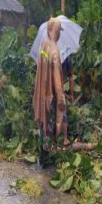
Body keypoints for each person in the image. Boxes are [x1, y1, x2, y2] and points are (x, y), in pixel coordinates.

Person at [33, 17, 70, 167]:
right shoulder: (54, 50)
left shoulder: (44, 45)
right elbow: (56, 79)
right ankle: (45, 159)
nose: (60, 33)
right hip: (51, 95)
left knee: (44, 123)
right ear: (55, 30)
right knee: (51, 123)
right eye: (59, 30)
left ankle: (42, 155)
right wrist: (61, 98)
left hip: (42, 92)